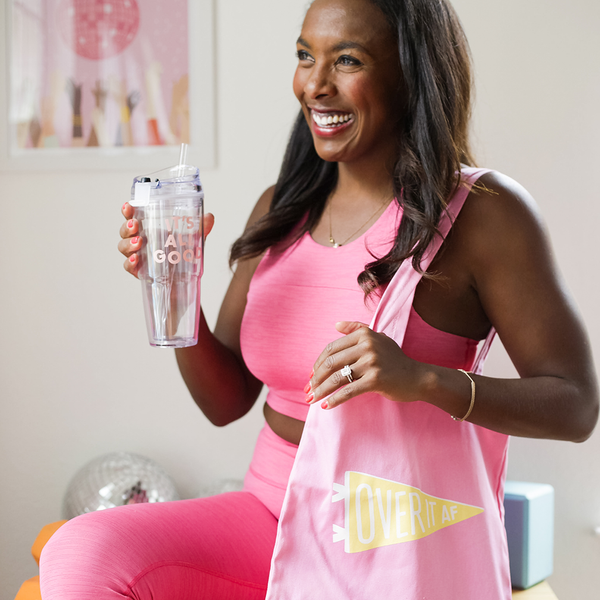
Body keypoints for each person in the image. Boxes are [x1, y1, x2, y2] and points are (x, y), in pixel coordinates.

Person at [40, 0, 598, 598]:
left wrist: (424, 379)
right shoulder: (281, 208)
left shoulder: (482, 213)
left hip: (390, 539)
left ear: (411, 72)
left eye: (347, 60)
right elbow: (226, 400)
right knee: (81, 552)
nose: (315, 85)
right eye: (306, 56)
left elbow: (575, 404)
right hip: (269, 512)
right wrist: (176, 287)